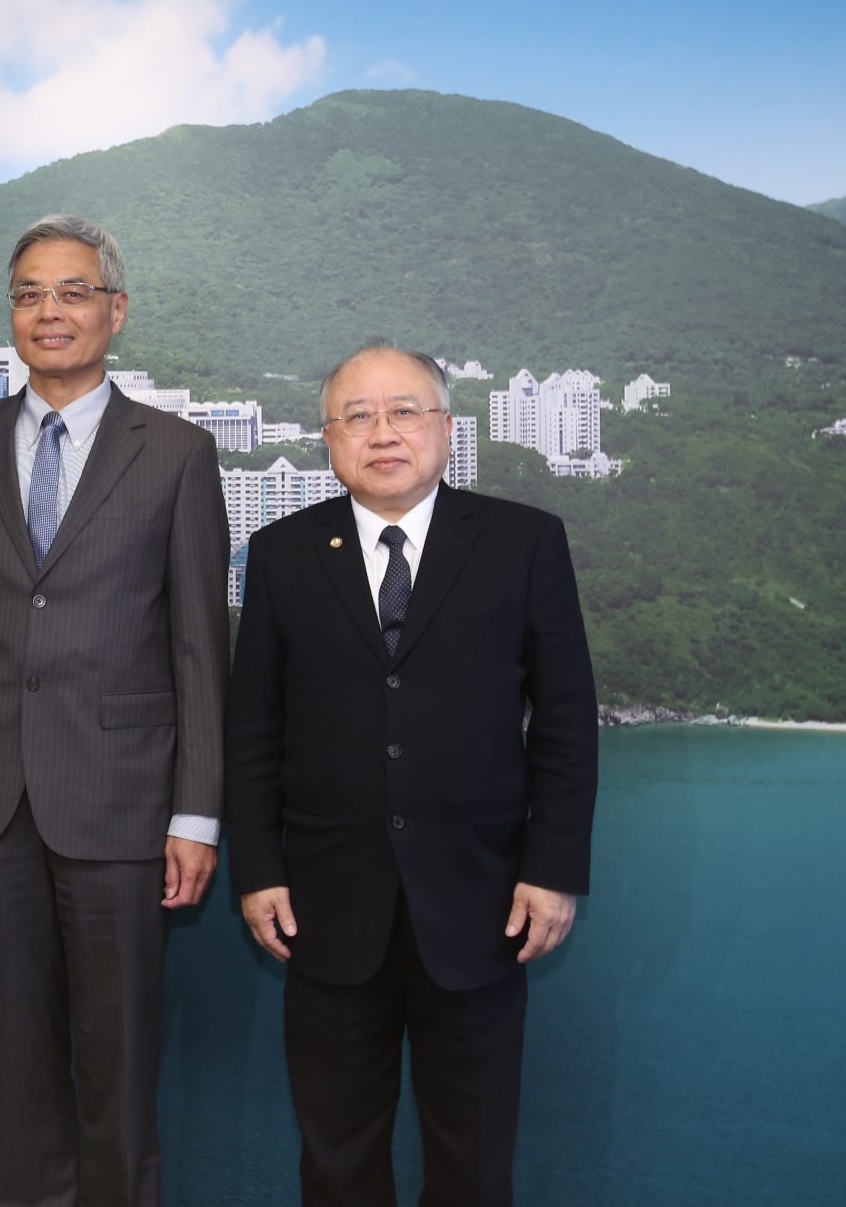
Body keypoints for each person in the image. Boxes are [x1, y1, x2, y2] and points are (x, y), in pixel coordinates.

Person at [224, 342, 599, 1207]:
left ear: (446, 429)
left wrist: (552, 869)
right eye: (357, 415)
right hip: (325, 910)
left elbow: (568, 721)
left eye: (404, 412)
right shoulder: (281, 551)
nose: (381, 432)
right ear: (328, 438)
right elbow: (253, 727)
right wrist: (260, 870)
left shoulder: (525, 541)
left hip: (482, 905)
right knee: (338, 1160)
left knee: (471, 1165)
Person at [0, 215, 229, 1207]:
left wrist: (194, 812)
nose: (48, 312)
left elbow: (196, 646)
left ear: (113, 310)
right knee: (17, 1054)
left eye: (71, 291)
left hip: (123, 804)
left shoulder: (176, 453)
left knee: (119, 1062)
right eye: (27, 294)